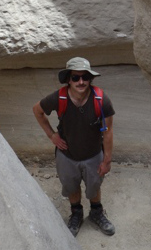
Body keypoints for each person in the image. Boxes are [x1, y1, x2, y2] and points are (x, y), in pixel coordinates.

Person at [33, 57, 116, 237]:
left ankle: (96, 212)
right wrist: (52, 135)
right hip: (67, 155)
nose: (81, 82)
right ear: (68, 79)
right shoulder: (59, 97)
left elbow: (108, 132)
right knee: (71, 186)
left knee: (94, 186)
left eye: (85, 77)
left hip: (94, 154)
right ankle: (76, 213)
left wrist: (107, 159)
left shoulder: (101, 100)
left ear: (90, 79)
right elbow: (37, 110)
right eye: (75, 77)